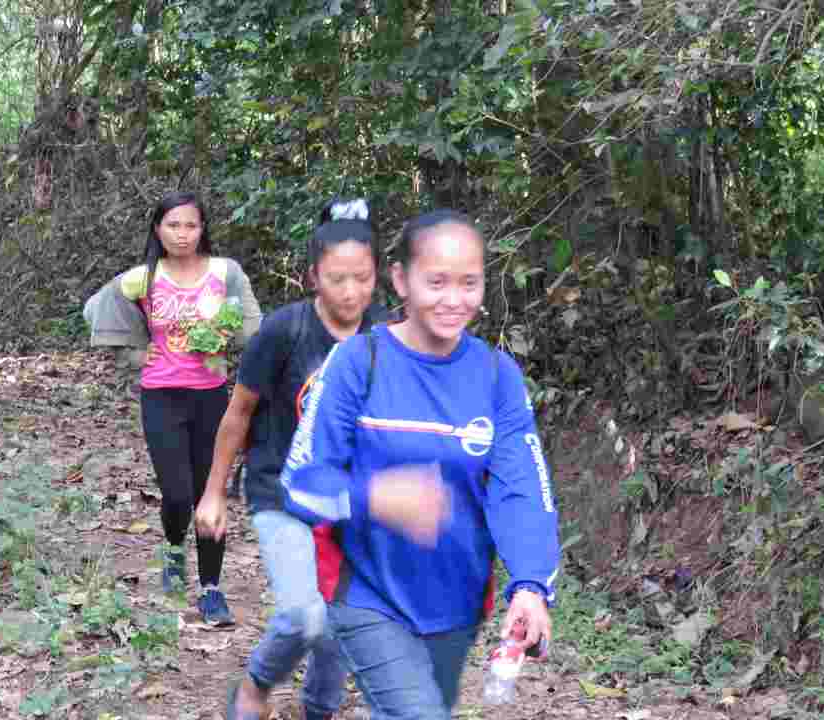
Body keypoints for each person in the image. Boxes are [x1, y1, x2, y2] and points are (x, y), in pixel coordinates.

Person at [280, 209, 560, 720]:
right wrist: (374, 497)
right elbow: (301, 485)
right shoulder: (357, 362)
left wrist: (530, 585)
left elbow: (521, 489)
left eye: (469, 283)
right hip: (366, 589)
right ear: (400, 280)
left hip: (457, 600)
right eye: (436, 282)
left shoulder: (497, 375)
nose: (454, 299)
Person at [194, 198, 391, 720]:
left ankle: (318, 710)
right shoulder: (284, 331)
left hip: (349, 500)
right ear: (312, 278)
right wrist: (213, 493)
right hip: (278, 489)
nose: (350, 292)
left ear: (377, 277)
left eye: (362, 278)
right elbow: (238, 413)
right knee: (306, 615)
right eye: (336, 279)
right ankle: (254, 687)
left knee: (343, 618)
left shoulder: (388, 336)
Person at [84, 191, 262, 625]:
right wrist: (132, 353)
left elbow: (252, 326)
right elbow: (96, 308)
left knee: (208, 493)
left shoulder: (225, 272)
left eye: (191, 226)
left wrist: (231, 337)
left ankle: (211, 589)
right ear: (158, 229)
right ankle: (173, 549)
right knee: (178, 494)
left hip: (212, 396)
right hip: (160, 395)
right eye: (173, 225)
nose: (182, 234)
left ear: (202, 230)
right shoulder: (142, 278)